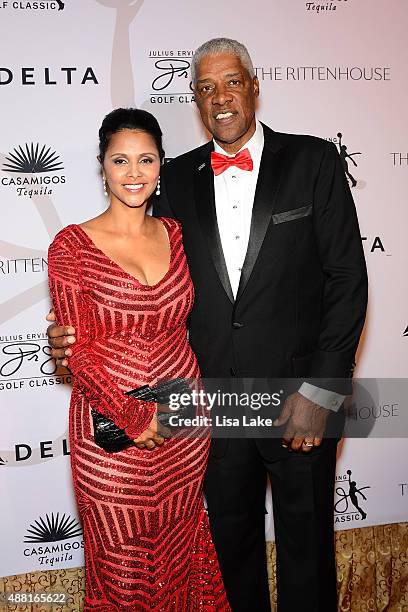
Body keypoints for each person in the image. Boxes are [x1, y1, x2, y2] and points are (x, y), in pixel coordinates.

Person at [48, 39, 368, 611]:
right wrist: (67, 340)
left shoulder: (314, 161)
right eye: (205, 88)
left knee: (307, 553)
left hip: (299, 400)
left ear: (253, 85)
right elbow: (128, 284)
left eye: (231, 82)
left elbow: (347, 281)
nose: (220, 98)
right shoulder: (174, 178)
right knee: (227, 555)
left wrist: (323, 391)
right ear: (195, 100)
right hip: (207, 410)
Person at [47, 108, 230, 611]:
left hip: (183, 425)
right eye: (120, 160)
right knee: (122, 566)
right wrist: (133, 416)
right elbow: (76, 349)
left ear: (160, 165)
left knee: (179, 548)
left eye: (145, 160)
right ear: (102, 166)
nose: (133, 172)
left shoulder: (176, 234)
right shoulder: (71, 246)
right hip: (110, 432)